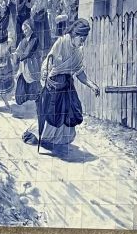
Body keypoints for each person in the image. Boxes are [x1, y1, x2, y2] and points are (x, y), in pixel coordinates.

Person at [36, 16, 100, 153]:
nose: (83, 42)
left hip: (67, 84)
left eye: (85, 39)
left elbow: (79, 72)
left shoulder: (78, 51)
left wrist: (92, 85)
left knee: (71, 111)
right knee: (54, 112)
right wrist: (46, 77)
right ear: (74, 34)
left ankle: (61, 142)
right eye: (81, 39)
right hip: (54, 82)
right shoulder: (62, 42)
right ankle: (46, 140)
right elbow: (49, 60)